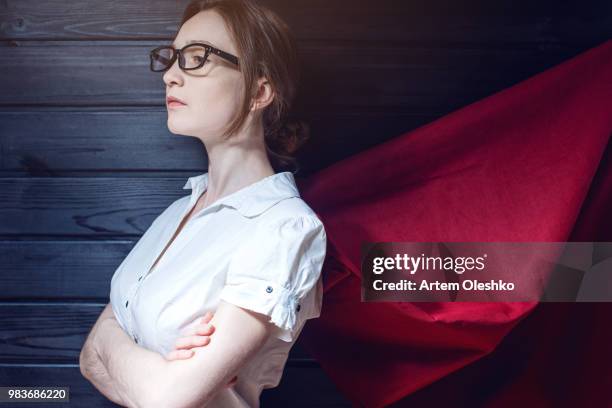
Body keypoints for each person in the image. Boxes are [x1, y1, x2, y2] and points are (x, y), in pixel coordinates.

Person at [79, 1, 327, 407]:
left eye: (197, 58)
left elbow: (165, 400)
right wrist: (133, 359)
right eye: (173, 58)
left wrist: (108, 336)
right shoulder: (177, 212)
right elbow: (87, 361)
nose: (171, 77)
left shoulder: (284, 227)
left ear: (259, 92)